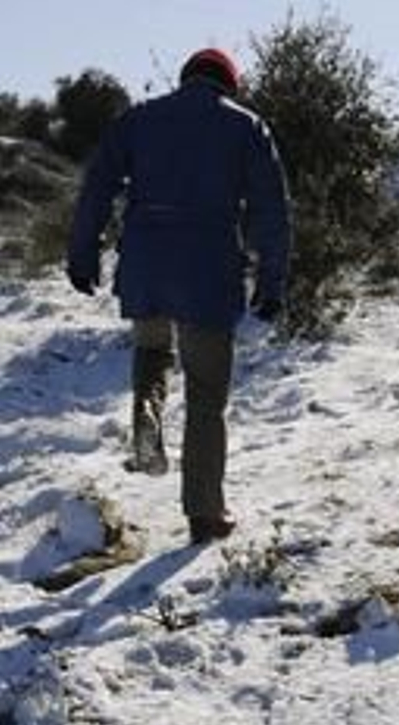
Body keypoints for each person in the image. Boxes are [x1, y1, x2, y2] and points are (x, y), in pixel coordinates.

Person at [67, 48, 291, 544]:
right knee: (206, 394)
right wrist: (271, 282)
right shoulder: (246, 126)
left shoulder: (138, 120)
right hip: (207, 269)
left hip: (146, 264)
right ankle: (204, 513)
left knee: (152, 351)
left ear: (186, 78)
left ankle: (147, 415)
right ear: (228, 85)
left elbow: (97, 187)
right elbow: (271, 209)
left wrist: (82, 254)